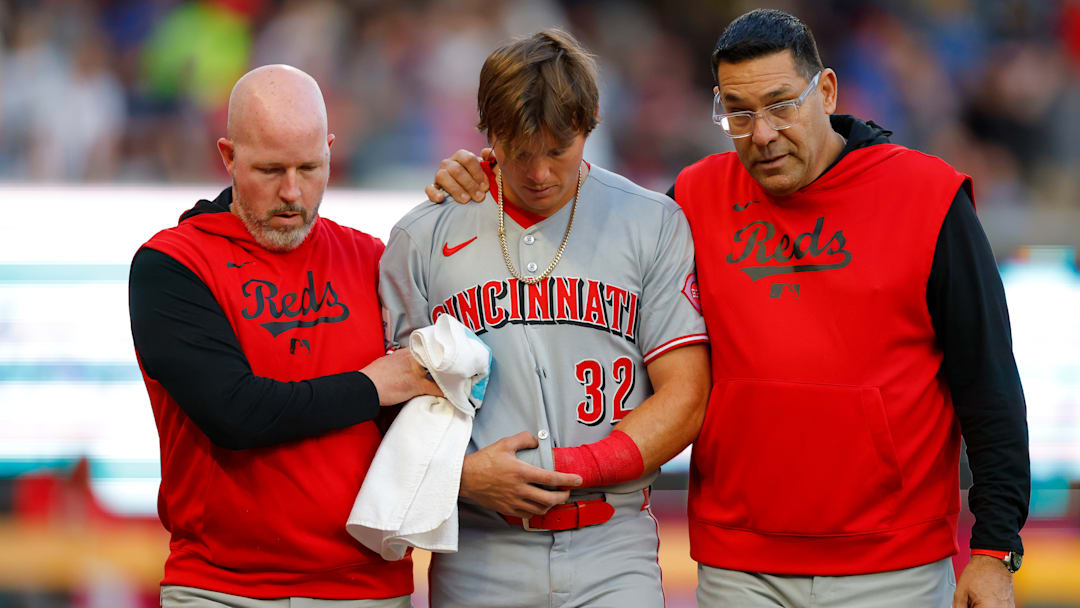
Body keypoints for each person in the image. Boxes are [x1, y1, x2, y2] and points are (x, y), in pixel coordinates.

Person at [428, 10, 1029, 608]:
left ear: (826, 91)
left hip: (894, 563)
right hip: (739, 565)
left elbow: (990, 382)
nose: (761, 133)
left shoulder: (927, 197)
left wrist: (995, 546)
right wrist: (490, 173)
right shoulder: (692, 197)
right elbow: (580, 220)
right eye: (738, 112)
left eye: (781, 105)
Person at [380, 29, 711, 608]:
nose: (538, 172)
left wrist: (576, 467)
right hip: (480, 548)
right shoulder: (422, 235)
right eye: (518, 150)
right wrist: (460, 475)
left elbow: (686, 395)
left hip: (613, 544)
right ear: (488, 132)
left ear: (590, 124)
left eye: (558, 150)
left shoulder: (652, 221)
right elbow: (390, 404)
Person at [128, 65, 440, 607]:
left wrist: (475, 193)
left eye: (310, 168)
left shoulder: (373, 258)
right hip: (222, 589)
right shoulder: (173, 264)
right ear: (228, 156)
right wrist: (373, 386)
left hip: (368, 588)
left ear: (330, 152)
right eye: (270, 170)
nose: (292, 192)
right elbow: (234, 412)